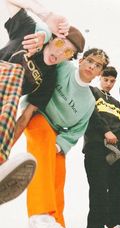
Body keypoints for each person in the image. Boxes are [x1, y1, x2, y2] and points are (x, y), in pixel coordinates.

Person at [0, 0, 85, 205]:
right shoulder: (28, 31)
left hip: (4, 105)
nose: (60, 53)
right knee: (15, 73)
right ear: (53, 37)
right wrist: (46, 16)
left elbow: (24, 118)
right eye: (60, 44)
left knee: (10, 111)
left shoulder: (49, 79)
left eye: (68, 53)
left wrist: (6, 149)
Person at [19, 47, 109, 228]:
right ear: (81, 60)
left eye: (97, 66)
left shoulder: (90, 101)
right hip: (37, 114)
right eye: (90, 61)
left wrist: (60, 144)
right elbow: (47, 54)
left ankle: (57, 224)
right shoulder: (64, 67)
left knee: (59, 170)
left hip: (57, 133)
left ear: (100, 72)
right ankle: (40, 216)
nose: (92, 66)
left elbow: (77, 131)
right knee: (43, 155)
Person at [83, 66, 120, 228]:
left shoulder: (116, 102)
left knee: (117, 187)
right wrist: (106, 131)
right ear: (100, 78)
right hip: (97, 146)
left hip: (118, 149)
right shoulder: (91, 92)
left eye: (112, 81)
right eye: (106, 79)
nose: (109, 83)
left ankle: (116, 225)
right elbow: (91, 114)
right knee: (99, 187)